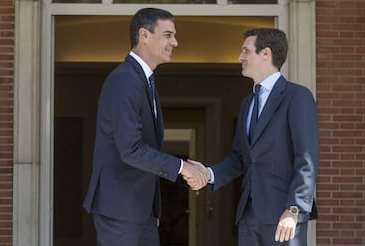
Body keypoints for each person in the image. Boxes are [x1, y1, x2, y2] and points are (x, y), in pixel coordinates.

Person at [83, 8, 209, 246]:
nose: (175, 42)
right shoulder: (124, 80)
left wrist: (152, 210)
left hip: (141, 212)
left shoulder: (144, 81)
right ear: (144, 35)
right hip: (121, 209)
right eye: (168, 35)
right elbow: (130, 149)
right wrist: (182, 167)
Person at [187, 28, 319, 245]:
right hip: (249, 215)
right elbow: (240, 157)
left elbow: (307, 159)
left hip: (283, 215)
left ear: (265, 53)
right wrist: (209, 174)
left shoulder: (297, 97)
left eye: (246, 51)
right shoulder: (247, 103)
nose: (240, 57)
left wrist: (294, 209)